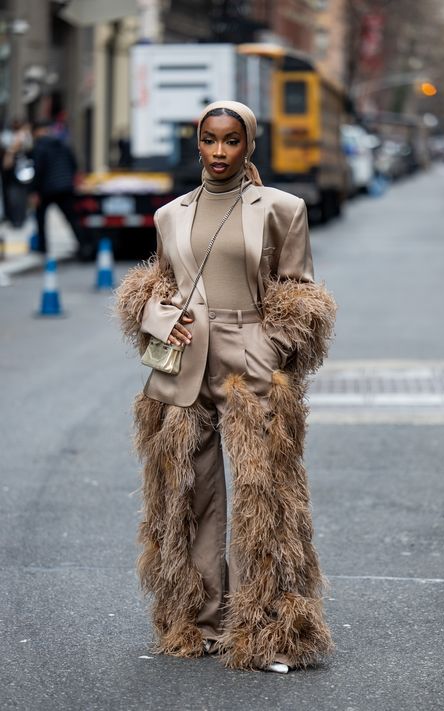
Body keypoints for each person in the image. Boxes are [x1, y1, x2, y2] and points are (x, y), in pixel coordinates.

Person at [116, 100, 337, 672]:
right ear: (197, 143)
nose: (219, 152)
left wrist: (270, 344)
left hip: (252, 365)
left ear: (249, 145)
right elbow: (158, 288)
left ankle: (267, 627)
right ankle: (200, 619)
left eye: (231, 141)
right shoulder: (171, 215)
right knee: (189, 497)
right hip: (182, 367)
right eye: (209, 140)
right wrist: (161, 318)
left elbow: (301, 291)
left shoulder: (282, 209)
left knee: (267, 499)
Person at [30, 119, 84, 256]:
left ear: (36, 132)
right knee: (72, 218)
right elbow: (74, 164)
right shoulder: (62, 143)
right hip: (65, 186)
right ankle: (85, 246)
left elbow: (38, 170)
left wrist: (34, 191)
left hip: (46, 189)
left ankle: (42, 247)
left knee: (40, 218)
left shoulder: (39, 147)